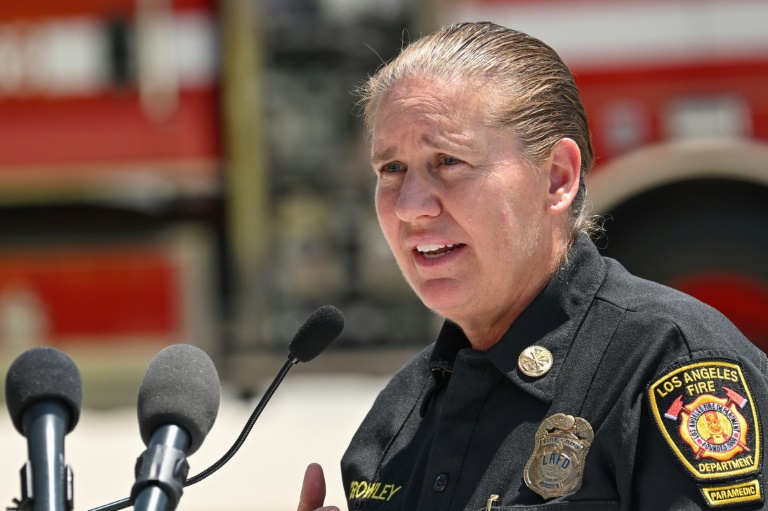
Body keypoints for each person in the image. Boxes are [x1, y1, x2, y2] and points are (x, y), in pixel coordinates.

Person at [297, 21, 768, 510]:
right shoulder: (397, 415)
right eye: (391, 169)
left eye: (449, 161)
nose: (410, 206)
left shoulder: (672, 369)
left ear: (557, 178)